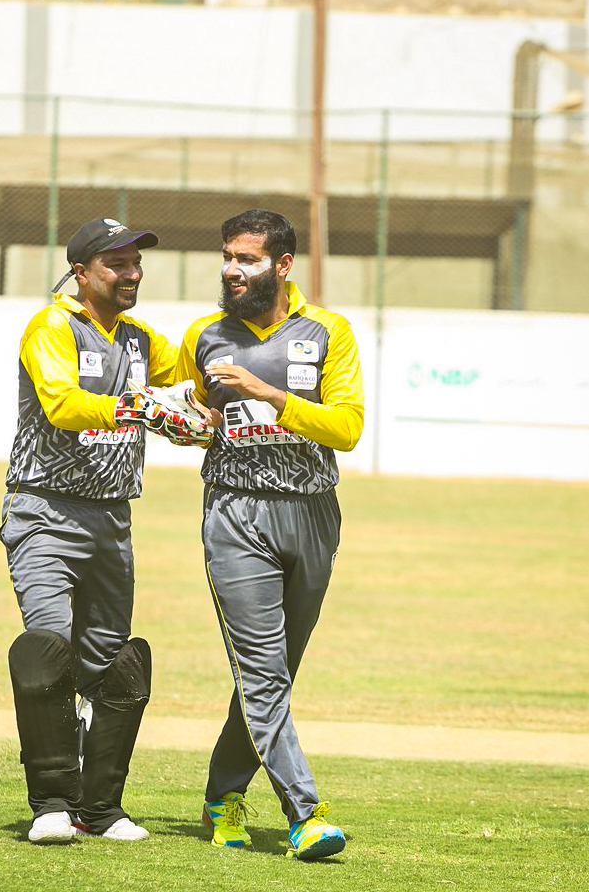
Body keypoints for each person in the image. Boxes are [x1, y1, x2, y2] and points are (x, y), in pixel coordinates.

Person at [0, 216, 213, 845]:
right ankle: (51, 805)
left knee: (113, 664)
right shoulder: (53, 326)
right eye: (117, 263)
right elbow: (63, 404)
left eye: (136, 262)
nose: (132, 273)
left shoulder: (140, 338)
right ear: (82, 271)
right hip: (44, 511)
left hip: (113, 518)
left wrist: (194, 413)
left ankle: (100, 808)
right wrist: (144, 408)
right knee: (48, 649)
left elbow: (194, 369)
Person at [175, 209, 365, 862]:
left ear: (282, 265)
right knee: (261, 671)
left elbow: (346, 429)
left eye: (248, 259)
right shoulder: (203, 335)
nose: (233, 269)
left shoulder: (328, 330)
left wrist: (267, 393)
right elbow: (195, 414)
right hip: (235, 514)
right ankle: (305, 814)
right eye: (228, 256)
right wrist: (188, 422)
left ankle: (222, 795)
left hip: (312, 515)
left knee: (272, 675)